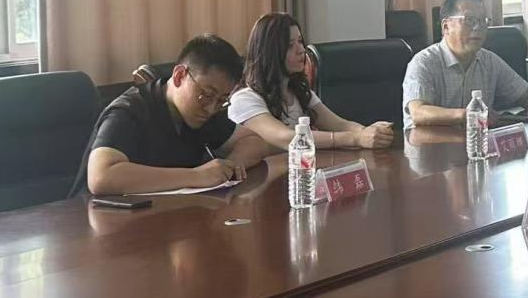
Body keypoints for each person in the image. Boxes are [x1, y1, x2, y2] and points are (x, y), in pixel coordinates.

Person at [83, 34, 268, 196]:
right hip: (101, 218)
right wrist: (195, 176)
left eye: (221, 100)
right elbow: (101, 176)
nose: (211, 108)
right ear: (180, 76)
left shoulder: (204, 112)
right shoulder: (130, 110)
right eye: (207, 94)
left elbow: (253, 141)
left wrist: (228, 168)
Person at [229, 12, 395, 152]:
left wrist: (369, 132)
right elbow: (286, 137)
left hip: (298, 173)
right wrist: (355, 138)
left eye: (300, 41)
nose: (301, 50)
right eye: (290, 45)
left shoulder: (298, 91)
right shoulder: (245, 99)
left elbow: (338, 123)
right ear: (270, 52)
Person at [403, 0, 528, 129]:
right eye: (469, 20)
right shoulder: (423, 63)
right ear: (446, 27)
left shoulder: (490, 61)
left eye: (482, 21)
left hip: (477, 146)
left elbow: (527, 93)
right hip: (430, 146)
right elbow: (418, 112)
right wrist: (468, 115)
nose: (477, 28)